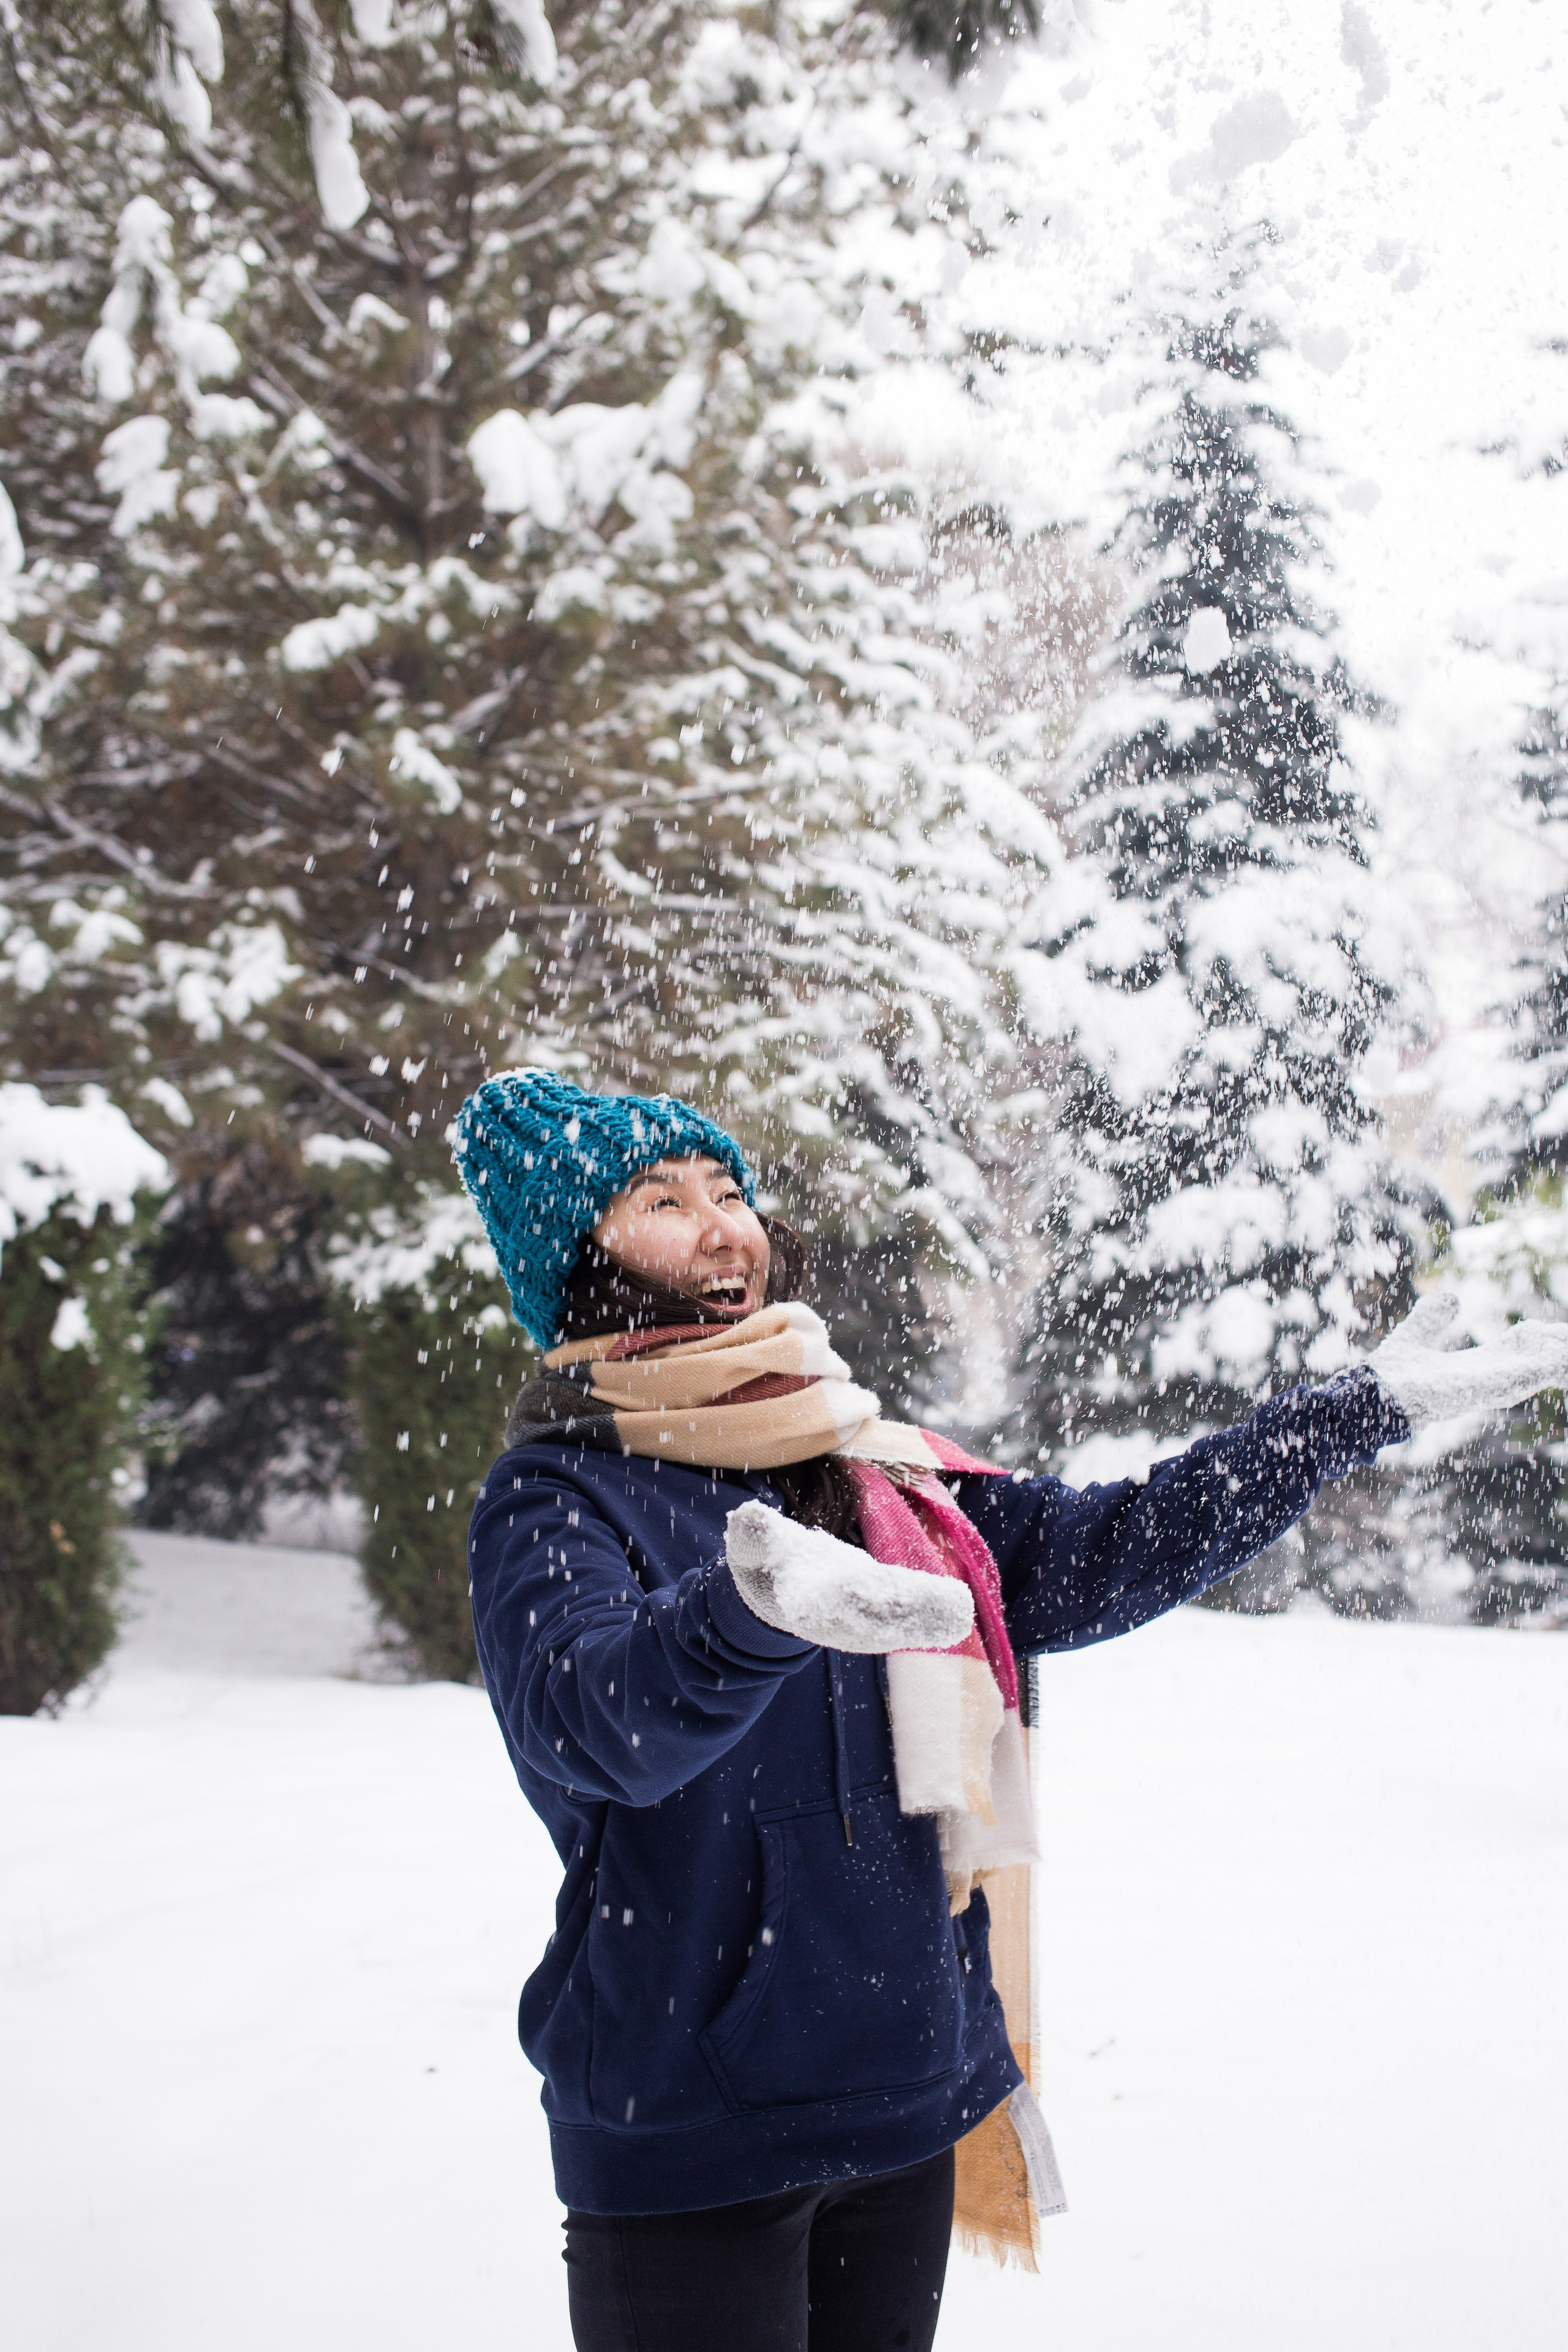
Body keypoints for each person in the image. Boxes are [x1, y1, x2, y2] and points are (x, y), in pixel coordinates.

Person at [453, 1069, 1568, 2352]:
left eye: (729, 1191)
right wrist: (744, 1611)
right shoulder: (557, 1495)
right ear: (576, 1256)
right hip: (693, 2125)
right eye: (661, 1200)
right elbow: (594, 1728)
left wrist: (1343, 1418)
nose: (722, 1227)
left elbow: (1109, 1545)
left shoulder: (864, 1463)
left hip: (904, 2090)